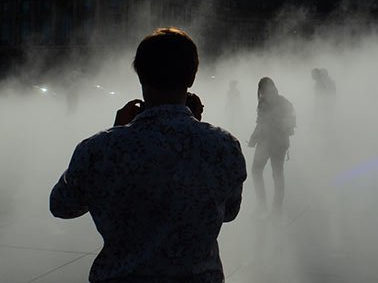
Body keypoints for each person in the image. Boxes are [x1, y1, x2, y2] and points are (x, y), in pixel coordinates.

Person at [50, 28, 247, 283]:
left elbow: (62, 206)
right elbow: (229, 212)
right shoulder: (223, 146)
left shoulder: (99, 149)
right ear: (192, 77)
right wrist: (195, 129)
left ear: (140, 75)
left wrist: (118, 133)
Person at [248, 77, 295, 218]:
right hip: (277, 143)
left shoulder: (265, 103)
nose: (262, 92)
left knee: (258, 171)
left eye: (262, 89)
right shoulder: (284, 102)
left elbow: (262, 123)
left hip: (269, 142)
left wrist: (254, 137)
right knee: (277, 175)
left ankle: (264, 206)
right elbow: (290, 124)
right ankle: (275, 208)